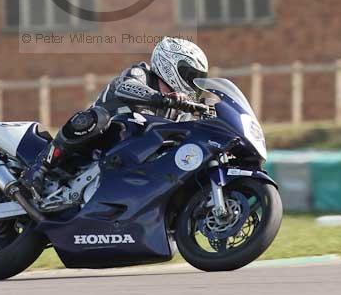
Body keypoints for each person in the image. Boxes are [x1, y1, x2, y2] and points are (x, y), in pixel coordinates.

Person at [21, 37, 209, 200]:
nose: (193, 83)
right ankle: (39, 168)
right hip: (94, 144)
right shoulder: (141, 73)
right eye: (190, 75)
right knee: (97, 117)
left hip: (125, 163)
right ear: (170, 64)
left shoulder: (180, 110)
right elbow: (126, 86)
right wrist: (162, 99)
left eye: (198, 79)